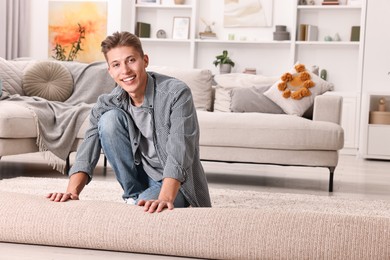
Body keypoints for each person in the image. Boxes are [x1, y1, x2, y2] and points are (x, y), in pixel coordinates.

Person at [46, 31, 211, 213]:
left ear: (145, 61)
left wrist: (164, 198)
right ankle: (134, 196)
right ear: (110, 71)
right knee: (109, 120)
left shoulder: (177, 94)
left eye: (131, 60)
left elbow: (181, 150)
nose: (125, 71)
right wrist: (71, 192)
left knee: (145, 208)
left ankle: (152, 201)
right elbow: (88, 148)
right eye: (116, 65)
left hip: (178, 183)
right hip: (143, 178)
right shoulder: (107, 102)